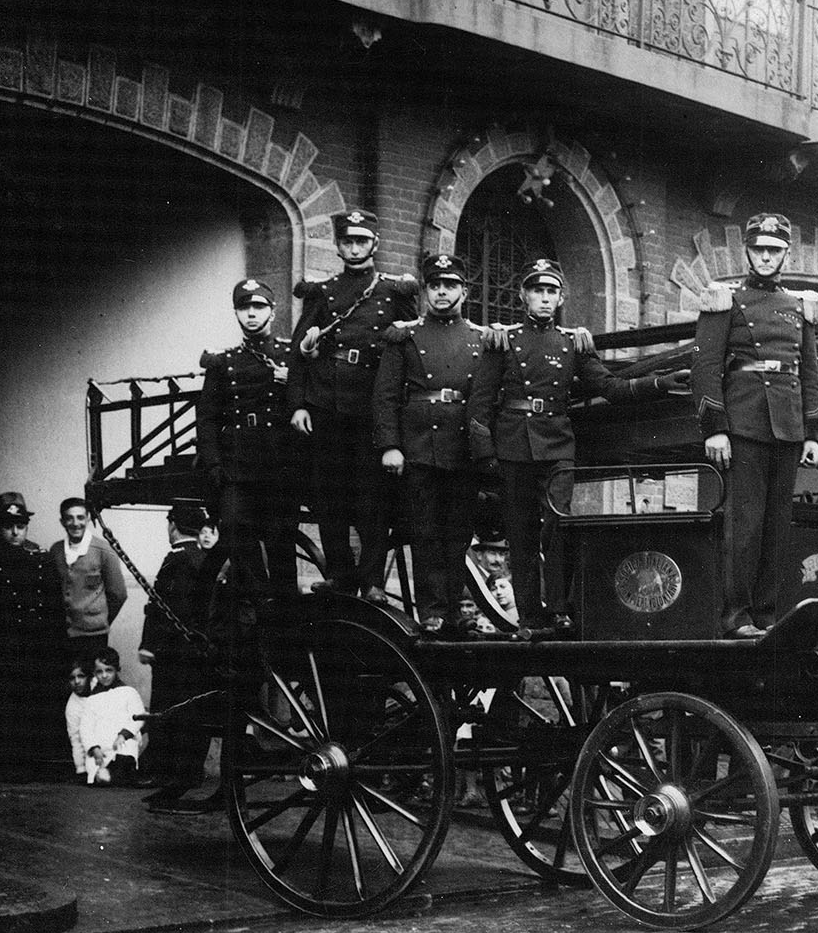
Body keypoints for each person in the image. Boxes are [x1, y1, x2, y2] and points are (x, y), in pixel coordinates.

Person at [470, 257, 685, 639]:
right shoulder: (503, 342)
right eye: (538, 291)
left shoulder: (573, 343)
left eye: (552, 292)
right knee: (519, 536)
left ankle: (559, 610)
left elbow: (611, 387)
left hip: (557, 445)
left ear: (561, 297)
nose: (545, 299)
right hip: (514, 445)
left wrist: (660, 383)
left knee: (558, 525)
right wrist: (485, 452)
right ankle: (530, 618)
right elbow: (481, 403)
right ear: (524, 296)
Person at [689, 213, 818, 639]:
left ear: (785, 254)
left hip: (786, 425)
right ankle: (736, 616)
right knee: (744, 525)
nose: (765, 257)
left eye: (774, 250)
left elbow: (809, 373)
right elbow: (705, 368)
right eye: (759, 249)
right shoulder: (726, 300)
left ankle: (766, 614)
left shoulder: (798, 306)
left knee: (776, 526)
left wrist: (812, 433)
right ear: (747, 251)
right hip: (744, 422)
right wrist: (715, 427)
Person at [289, 210, 420, 599]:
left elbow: (414, 348)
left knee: (371, 498)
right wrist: (298, 405)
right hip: (328, 406)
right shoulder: (323, 293)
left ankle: (373, 581)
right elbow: (299, 352)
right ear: (338, 246)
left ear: (374, 245)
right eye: (347, 242)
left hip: (372, 409)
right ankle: (341, 576)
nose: (354, 248)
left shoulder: (393, 293)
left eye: (362, 241)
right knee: (330, 497)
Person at [375, 253, 501, 633]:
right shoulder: (405, 336)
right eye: (435, 285)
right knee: (425, 530)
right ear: (426, 290)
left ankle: (457, 608)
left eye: (450, 285)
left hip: (462, 447)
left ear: (464, 290)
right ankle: (431, 611)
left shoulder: (482, 338)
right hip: (418, 446)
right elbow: (385, 396)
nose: (442, 292)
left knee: (459, 532)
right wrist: (390, 445)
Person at [200, 278, 301, 599]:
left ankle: (286, 606)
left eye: (258, 307)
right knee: (232, 527)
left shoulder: (290, 356)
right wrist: (215, 463)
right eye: (245, 308)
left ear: (272, 312)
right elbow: (207, 419)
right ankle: (261, 596)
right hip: (239, 467)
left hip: (280, 467)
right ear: (237, 313)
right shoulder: (223, 362)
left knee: (281, 541)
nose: (251, 314)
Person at [138, 501, 217, 808]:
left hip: (175, 654)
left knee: (171, 714)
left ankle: (174, 777)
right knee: (193, 716)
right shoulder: (204, 558)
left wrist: (151, 645)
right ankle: (185, 774)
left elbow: (167, 609)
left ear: (172, 525)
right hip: (197, 653)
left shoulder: (178, 561)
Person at [0, 497, 66, 774]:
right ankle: (4, 764)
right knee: (3, 705)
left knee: (31, 704)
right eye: (8, 526)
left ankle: (29, 764)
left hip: (33, 646)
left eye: (20, 526)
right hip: (2, 646)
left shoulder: (40, 560)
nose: (15, 532)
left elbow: (54, 606)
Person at [50, 497, 128, 666]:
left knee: (93, 683)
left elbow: (119, 594)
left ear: (87, 518)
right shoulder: (55, 551)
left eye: (80, 517)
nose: (75, 523)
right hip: (63, 635)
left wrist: (98, 619)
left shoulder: (103, 550)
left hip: (94, 637)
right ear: (62, 521)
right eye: (69, 518)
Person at [79, 648, 148, 786]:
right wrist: (95, 748)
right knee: (97, 769)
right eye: (99, 672)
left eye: (109, 670)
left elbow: (139, 717)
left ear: (117, 670)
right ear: (94, 673)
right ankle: (108, 774)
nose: (104, 675)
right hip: (101, 748)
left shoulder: (128, 692)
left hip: (122, 743)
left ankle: (118, 773)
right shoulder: (91, 700)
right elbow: (85, 727)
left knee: (125, 754)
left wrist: (123, 735)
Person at [62, 657, 95, 782]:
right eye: (72, 678)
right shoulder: (72, 708)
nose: (76, 681)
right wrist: (80, 768)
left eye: (81, 676)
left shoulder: (99, 687)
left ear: (89, 677)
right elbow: (76, 738)